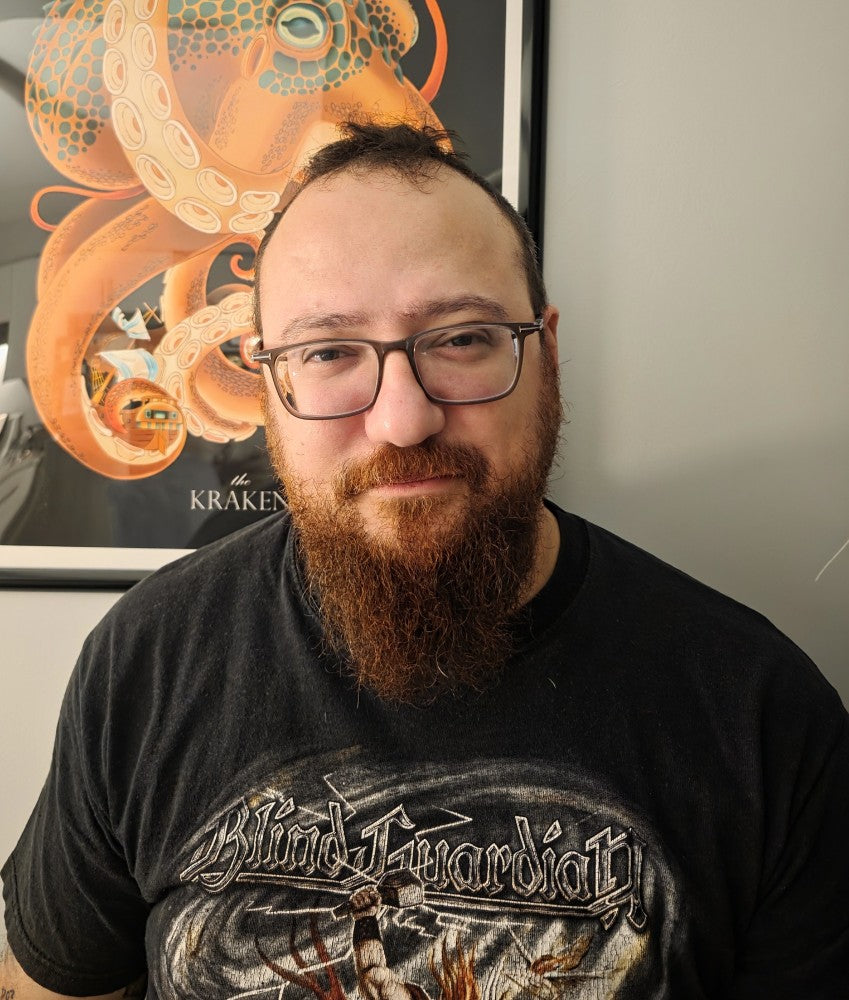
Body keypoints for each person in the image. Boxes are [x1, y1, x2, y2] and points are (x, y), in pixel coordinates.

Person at [2, 121, 848, 999]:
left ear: (545, 354)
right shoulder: (146, 659)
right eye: (328, 351)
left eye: (461, 338)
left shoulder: (758, 713)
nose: (403, 420)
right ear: (269, 385)